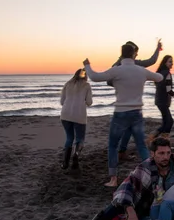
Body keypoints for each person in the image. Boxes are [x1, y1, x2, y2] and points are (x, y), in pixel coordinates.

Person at [64, 137, 174, 220]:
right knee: (117, 204)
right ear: (152, 154)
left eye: (168, 153)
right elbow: (126, 186)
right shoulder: (146, 167)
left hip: (156, 213)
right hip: (140, 206)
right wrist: (130, 210)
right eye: (161, 153)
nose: (165, 157)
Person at [83, 44, 163, 187]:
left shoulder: (117, 70)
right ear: (134, 55)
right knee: (141, 146)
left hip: (120, 114)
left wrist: (87, 65)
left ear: (121, 55)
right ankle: (152, 176)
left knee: (113, 146)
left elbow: (95, 77)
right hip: (137, 113)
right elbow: (159, 77)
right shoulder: (141, 71)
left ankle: (113, 179)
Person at [112, 40, 163, 161]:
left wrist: (120, 85)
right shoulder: (133, 64)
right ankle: (123, 153)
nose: (137, 55)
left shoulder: (117, 64)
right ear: (132, 52)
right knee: (134, 133)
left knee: (127, 129)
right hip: (130, 105)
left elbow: (109, 80)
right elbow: (151, 61)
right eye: (136, 52)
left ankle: (121, 152)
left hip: (121, 103)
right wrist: (158, 49)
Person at [60, 68, 93, 169]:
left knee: (69, 138)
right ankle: (76, 155)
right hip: (79, 115)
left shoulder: (68, 84)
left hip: (65, 114)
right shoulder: (86, 85)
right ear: (85, 75)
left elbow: (62, 101)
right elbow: (89, 102)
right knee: (80, 138)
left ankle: (65, 163)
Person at [150, 55, 174, 141]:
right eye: (170, 62)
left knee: (166, 122)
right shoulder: (167, 74)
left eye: (172, 62)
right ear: (165, 63)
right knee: (169, 122)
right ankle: (161, 139)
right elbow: (169, 91)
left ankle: (153, 138)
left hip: (159, 101)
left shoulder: (159, 74)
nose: (172, 64)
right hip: (163, 102)